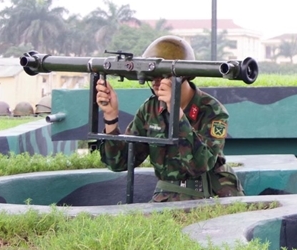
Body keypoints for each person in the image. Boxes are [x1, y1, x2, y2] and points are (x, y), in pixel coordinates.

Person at [95, 35, 244, 202]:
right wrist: (110, 117)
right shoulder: (150, 109)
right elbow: (119, 163)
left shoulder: (212, 110)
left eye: (163, 75)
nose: (157, 82)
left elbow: (200, 165)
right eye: (153, 76)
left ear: (185, 75)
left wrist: (176, 112)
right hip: (168, 194)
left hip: (210, 193)